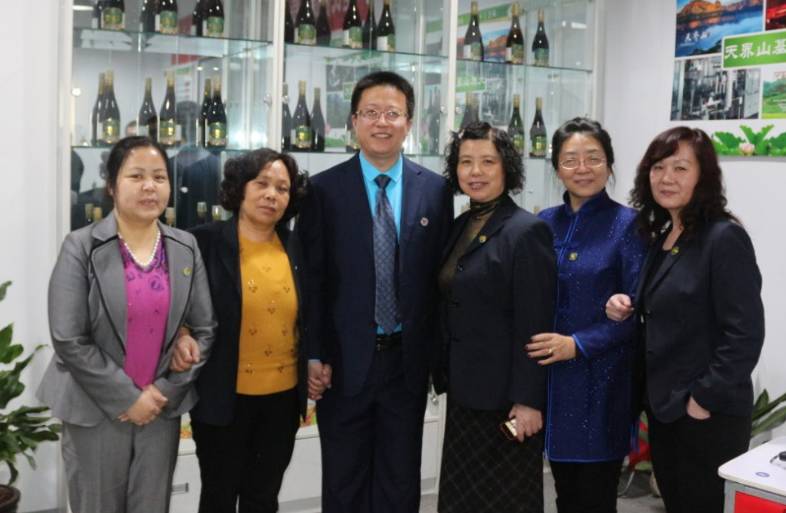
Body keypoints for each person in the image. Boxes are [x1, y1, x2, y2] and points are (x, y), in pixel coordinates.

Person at [297, 70, 454, 513]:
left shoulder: (435, 190)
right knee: (344, 481)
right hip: (343, 363)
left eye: (392, 113)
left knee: (399, 482)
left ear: (409, 122)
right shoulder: (323, 190)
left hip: (407, 362)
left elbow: (440, 281)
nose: (381, 122)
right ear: (353, 121)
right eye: (370, 113)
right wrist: (314, 353)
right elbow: (313, 280)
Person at [37, 135, 216, 513]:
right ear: (111, 186)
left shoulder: (185, 246)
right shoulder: (81, 246)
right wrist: (128, 398)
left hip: (160, 410)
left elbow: (204, 329)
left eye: (159, 177)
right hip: (95, 408)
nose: (150, 186)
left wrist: (163, 392)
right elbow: (69, 338)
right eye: (136, 176)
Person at [605, 126, 765, 513]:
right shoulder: (665, 232)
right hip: (666, 409)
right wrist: (624, 304)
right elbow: (669, 303)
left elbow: (744, 333)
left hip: (706, 414)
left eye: (680, 168)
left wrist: (702, 399)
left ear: (703, 176)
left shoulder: (723, 237)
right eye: (658, 168)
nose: (667, 178)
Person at [171, 149, 311, 513]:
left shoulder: (297, 247)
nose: (271, 195)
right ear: (240, 188)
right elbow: (177, 306)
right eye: (261, 183)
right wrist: (182, 335)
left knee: (263, 497)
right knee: (218, 496)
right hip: (222, 397)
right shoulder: (202, 242)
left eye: (282, 188)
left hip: (282, 400)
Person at [525, 118, 646, 513]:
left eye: (593, 158)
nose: (582, 168)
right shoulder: (543, 223)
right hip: (551, 384)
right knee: (564, 495)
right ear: (556, 168)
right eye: (570, 160)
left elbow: (639, 312)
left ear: (609, 164)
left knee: (595, 497)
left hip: (602, 385)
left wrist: (577, 344)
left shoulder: (630, 225)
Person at [435, 122, 557, 513]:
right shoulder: (460, 226)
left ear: (507, 167)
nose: (476, 171)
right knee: (462, 500)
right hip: (464, 394)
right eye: (466, 162)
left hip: (506, 400)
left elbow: (536, 323)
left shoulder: (527, 231)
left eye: (488, 161)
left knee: (506, 500)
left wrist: (528, 401)